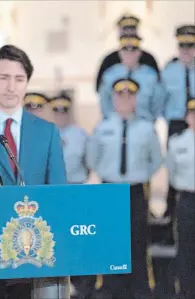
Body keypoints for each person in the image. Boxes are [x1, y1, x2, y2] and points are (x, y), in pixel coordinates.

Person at [0, 44, 67, 299]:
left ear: (27, 83)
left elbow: (58, 193)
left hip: (37, 253)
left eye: (19, 79)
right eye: (3, 78)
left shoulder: (47, 132)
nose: (11, 87)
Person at [86, 78, 162, 299]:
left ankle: (139, 289)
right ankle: (111, 288)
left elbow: (156, 160)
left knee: (138, 239)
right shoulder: (102, 127)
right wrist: (109, 174)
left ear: (135, 99)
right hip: (109, 189)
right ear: (113, 98)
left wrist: (139, 176)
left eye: (130, 95)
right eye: (120, 95)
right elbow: (93, 159)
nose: (125, 99)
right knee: (110, 239)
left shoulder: (147, 128)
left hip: (135, 190)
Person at [48, 92, 93, 299]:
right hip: (54, 192)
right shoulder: (46, 134)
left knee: (78, 237)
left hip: (75, 189)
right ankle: (58, 282)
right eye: (56, 110)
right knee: (56, 238)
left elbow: (89, 162)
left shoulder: (80, 134)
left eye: (64, 110)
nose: (60, 114)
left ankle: (80, 285)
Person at [160, 24, 195, 244]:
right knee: (175, 174)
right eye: (182, 45)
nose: (186, 50)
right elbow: (160, 100)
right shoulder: (169, 71)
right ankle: (172, 214)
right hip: (176, 124)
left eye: (190, 45)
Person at [99, 33, 164, 122]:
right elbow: (105, 102)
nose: (129, 54)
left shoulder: (150, 75)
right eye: (125, 50)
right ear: (120, 53)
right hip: (116, 124)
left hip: (144, 123)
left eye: (133, 51)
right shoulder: (109, 75)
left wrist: (150, 120)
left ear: (139, 53)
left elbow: (157, 102)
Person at [165, 98, 195, 299]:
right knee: (186, 249)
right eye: (193, 113)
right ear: (187, 117)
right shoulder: (177, 142)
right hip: (187, 199)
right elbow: (172, 172)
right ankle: (186, 292)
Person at [95, 14, 159, 92]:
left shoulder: (149, 59)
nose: (129, 35)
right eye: (125, 31)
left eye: (132, 30)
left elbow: (158, 91)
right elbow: (100, 90)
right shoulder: (109, 61)